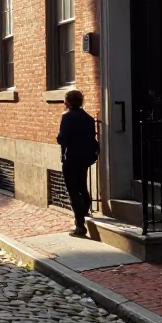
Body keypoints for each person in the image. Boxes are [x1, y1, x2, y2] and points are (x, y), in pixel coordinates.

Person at [56, 90, 99, 237]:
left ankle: (80, 225)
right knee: (82, 186)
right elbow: (92, 138)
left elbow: (62, 138)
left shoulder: (67, 117)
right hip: (85, 158)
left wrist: (59, 138)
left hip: (71, 157)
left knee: (73, 190)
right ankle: (84, 210)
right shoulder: (88, 118)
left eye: (65, 101)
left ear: (67, 103)